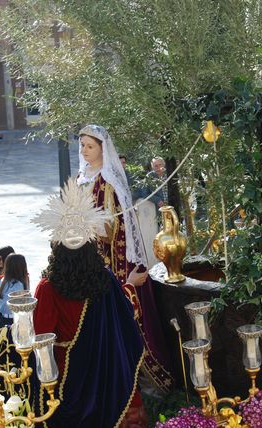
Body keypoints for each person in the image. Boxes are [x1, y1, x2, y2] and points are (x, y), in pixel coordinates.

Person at [33, 178, 148, 427]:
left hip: (64, 384)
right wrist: (128, 284)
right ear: (90, 243)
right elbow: (125, 314)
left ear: (56, 245)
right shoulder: (104, 278)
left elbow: (41, 338)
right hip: (105, 376)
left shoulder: (47, 288)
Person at [76, 124, 174, 391]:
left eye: (90, 146)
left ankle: (142, 385)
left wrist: (90, 226)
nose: (84, 151)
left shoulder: (109, 182)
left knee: (125, 319)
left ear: (102, 149)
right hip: (88, 261)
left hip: (114, 260)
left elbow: (117, 229)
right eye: (82, 145)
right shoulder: (82, 179)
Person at [0, 253, 28, 329]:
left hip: (3, 319)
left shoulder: (2, 282)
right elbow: (25, 304)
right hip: (16, 321)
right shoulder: (18, 284)